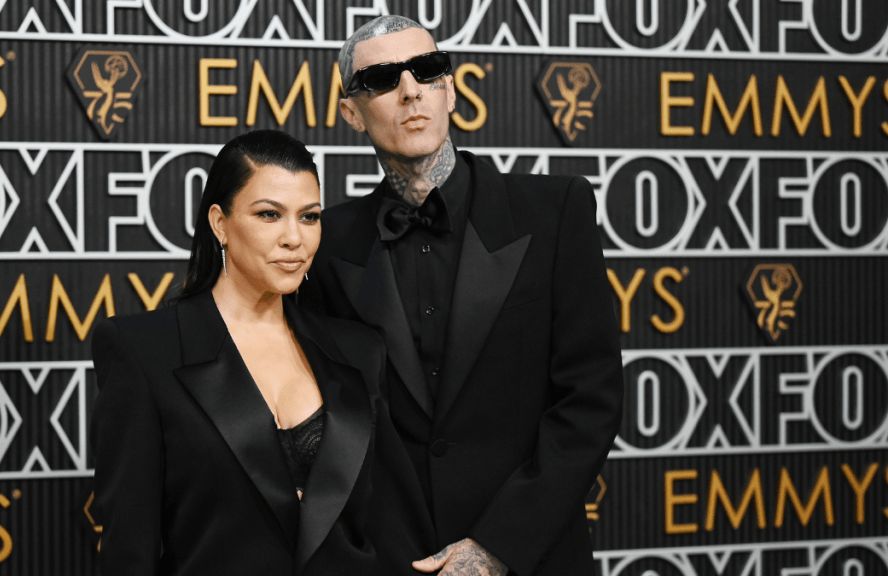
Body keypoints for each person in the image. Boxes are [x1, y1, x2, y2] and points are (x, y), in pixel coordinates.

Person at [301, 16, 625, 576]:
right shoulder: (327, 247)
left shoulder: (554, 212)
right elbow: (333, 425)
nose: (410, 91)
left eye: (426, 70)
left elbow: (589, 401)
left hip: (534, 557)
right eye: (381, 79)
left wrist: (496, 547)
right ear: (351, 112)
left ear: (449, 88)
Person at [91, 130, 393, 575]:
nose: (295, 238)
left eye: (309, 217)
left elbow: (381, 520)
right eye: (269, 214)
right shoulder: (144, 351)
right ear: (220, 223)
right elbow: (127, 549)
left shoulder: (359, 350)